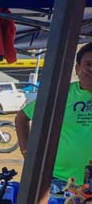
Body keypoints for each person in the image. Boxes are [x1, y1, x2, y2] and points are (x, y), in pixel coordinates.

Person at [16, 43, 92, 183]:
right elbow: (22, 117)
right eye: (88, 64)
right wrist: (27, 153)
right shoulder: (60, 95)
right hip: (58, 179)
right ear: (77, 68)